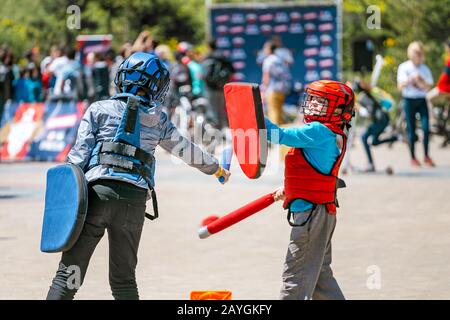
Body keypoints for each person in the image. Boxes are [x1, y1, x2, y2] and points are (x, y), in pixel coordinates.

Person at [45, 52, 230, 300]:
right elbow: (187, 150)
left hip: (96, 197)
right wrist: (216, 169)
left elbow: (76, 160)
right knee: (123, 281)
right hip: (133, 203)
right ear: (156, 87)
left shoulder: (98, 109)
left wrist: (63, 205)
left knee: (68, 276)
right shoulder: (158, 119)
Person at [265, 80, 355, 300]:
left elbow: (279, 135)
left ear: (337, 110)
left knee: (294, 277)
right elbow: (316, 172)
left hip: (311, 216)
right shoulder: (326, 132)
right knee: (320, 278)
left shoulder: (318, 131)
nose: (313, 104)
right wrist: (291, 188)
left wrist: (254, 117)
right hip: (322, 212)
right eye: (312, 98)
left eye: (321, 101)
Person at [397, 41, 435, 167]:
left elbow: (429, 86)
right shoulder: (404, 67)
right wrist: (411, 79)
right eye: (415, 53)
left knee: (425, 128)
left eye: (419, 53)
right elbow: (400, 85)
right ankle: (413, 157)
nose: (417, 55)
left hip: (421, 100)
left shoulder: (424, 69)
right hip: (409, 100)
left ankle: (426, 155)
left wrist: (421, 80)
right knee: (411, 130)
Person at [202, 38, 235, 129]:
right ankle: (225, 129)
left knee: (212, 109)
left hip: (211, 88)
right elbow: (232, 70)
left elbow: (206, 75)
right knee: (222, 109)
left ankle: (216, 131)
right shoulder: (223, 57)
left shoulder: (208, 58)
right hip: (222, 87)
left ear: (208, 46)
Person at [261, 41, 292, 125]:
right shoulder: (279, 59)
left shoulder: (268, 60)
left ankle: (275, 137)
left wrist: (263, 90)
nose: (264, 50)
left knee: (273, 114)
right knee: (279, 113)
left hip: (272, 90)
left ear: (269, 49)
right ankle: (281, 136)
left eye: (265, 48)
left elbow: (266, 76)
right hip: (282, 90)